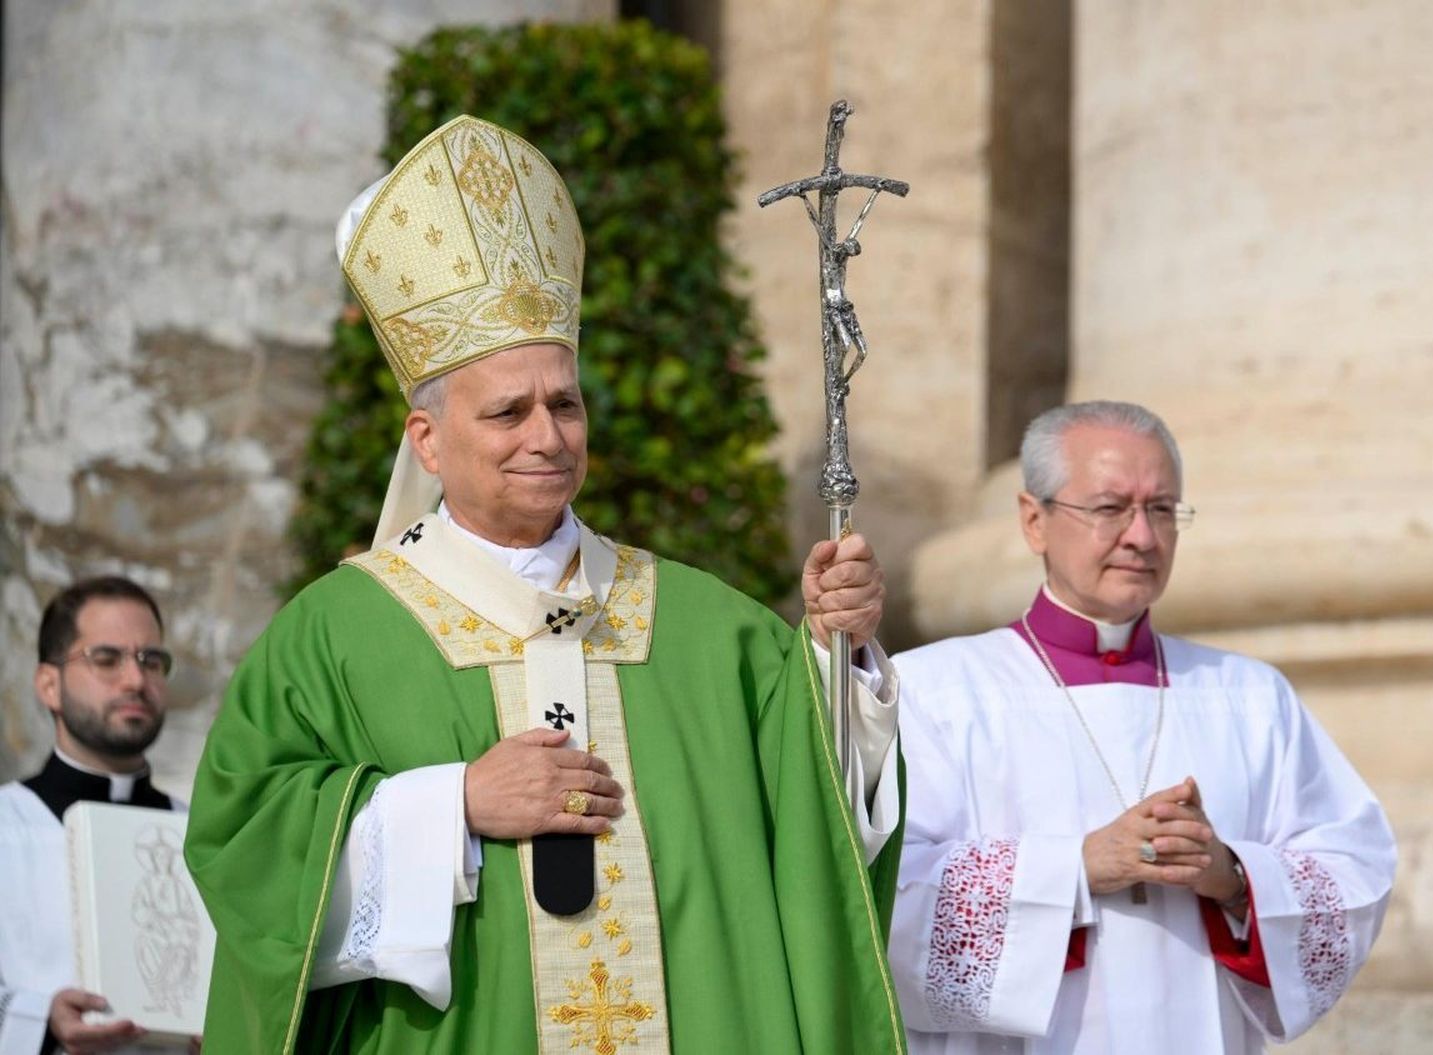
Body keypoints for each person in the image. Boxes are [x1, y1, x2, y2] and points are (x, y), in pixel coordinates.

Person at [184, 115, 906, 1054]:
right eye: (508, 411)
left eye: (565, 403)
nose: (547, 435)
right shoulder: (336, 633)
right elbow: (246, 845)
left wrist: (837, 654)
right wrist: (454, 806)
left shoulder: (711, 627)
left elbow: (822, 831)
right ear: (429, 441)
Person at [888, 401, 1396, 1053]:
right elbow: (879, 887)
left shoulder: (1249, 696)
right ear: (1034, 519)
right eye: (1109, 508)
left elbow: (1355, 869)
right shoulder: (936, 690)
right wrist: (1073, 868)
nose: (1142, 536)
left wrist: (1234, 875)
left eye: (1162, 508)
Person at [0, 576, 190, 1055]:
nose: (134, 680)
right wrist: (40, 1019)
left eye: (152, 660)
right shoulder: (7, 822)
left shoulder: (204, 834)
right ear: (49, 684)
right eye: (106, 659)